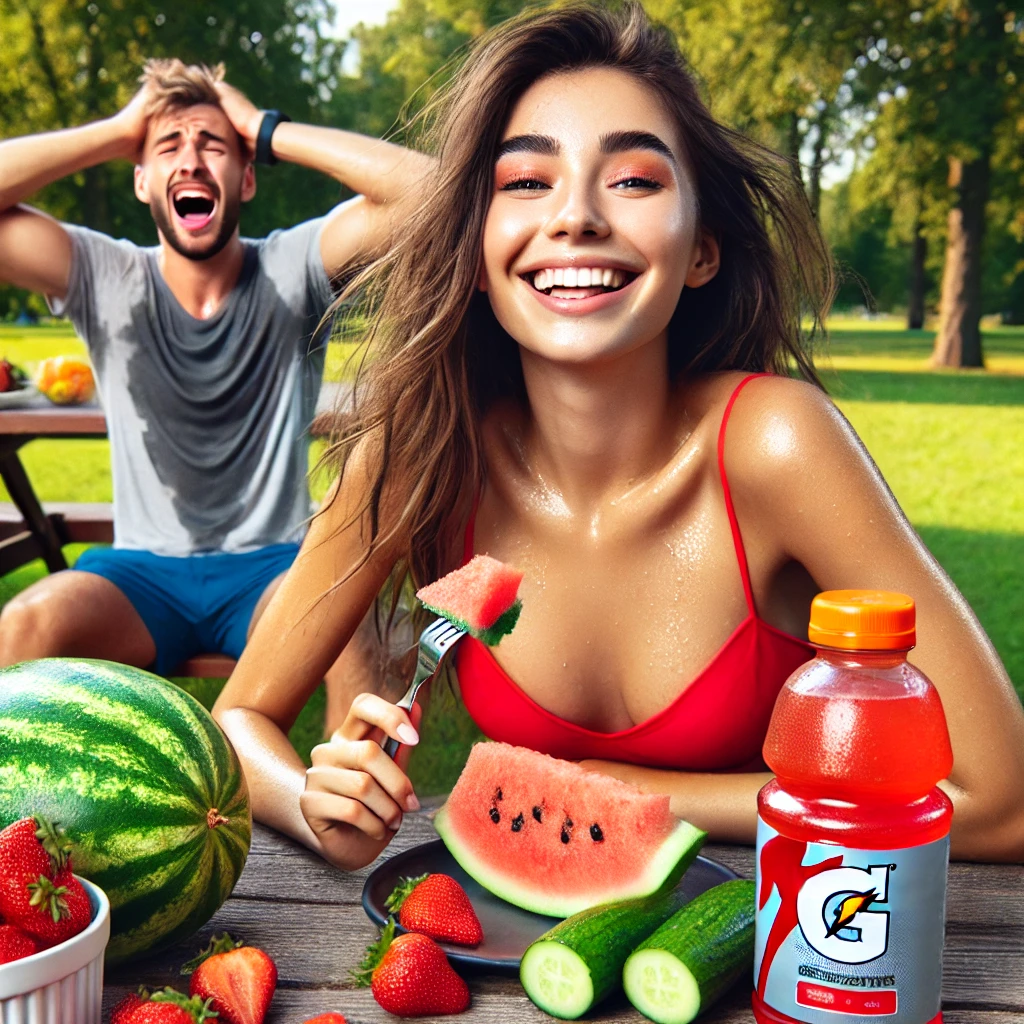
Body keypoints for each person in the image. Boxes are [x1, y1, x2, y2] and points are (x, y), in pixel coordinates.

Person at [212, 2, 1024, 867]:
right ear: (476, 253)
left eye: (634, 179)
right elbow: (239, 718)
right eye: (525, 183)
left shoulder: (776, 444)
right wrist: (311, 798)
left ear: (702, 247)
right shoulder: (423, 452)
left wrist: (620, 794)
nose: (577, 217)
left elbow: (1000, 800)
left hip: (785, 959)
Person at [0, 59, 430, 704]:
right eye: (169, 147)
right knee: (24, 624)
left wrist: (262, 126)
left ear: (247, 176)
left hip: (273, 569)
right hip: (140, 575)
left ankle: (355, 807)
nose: (193, 160)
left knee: (357, 628)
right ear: (142, 181)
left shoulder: (291, 267)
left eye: (215, 146)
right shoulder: (106, 276)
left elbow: (432, 190)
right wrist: (120, 131)